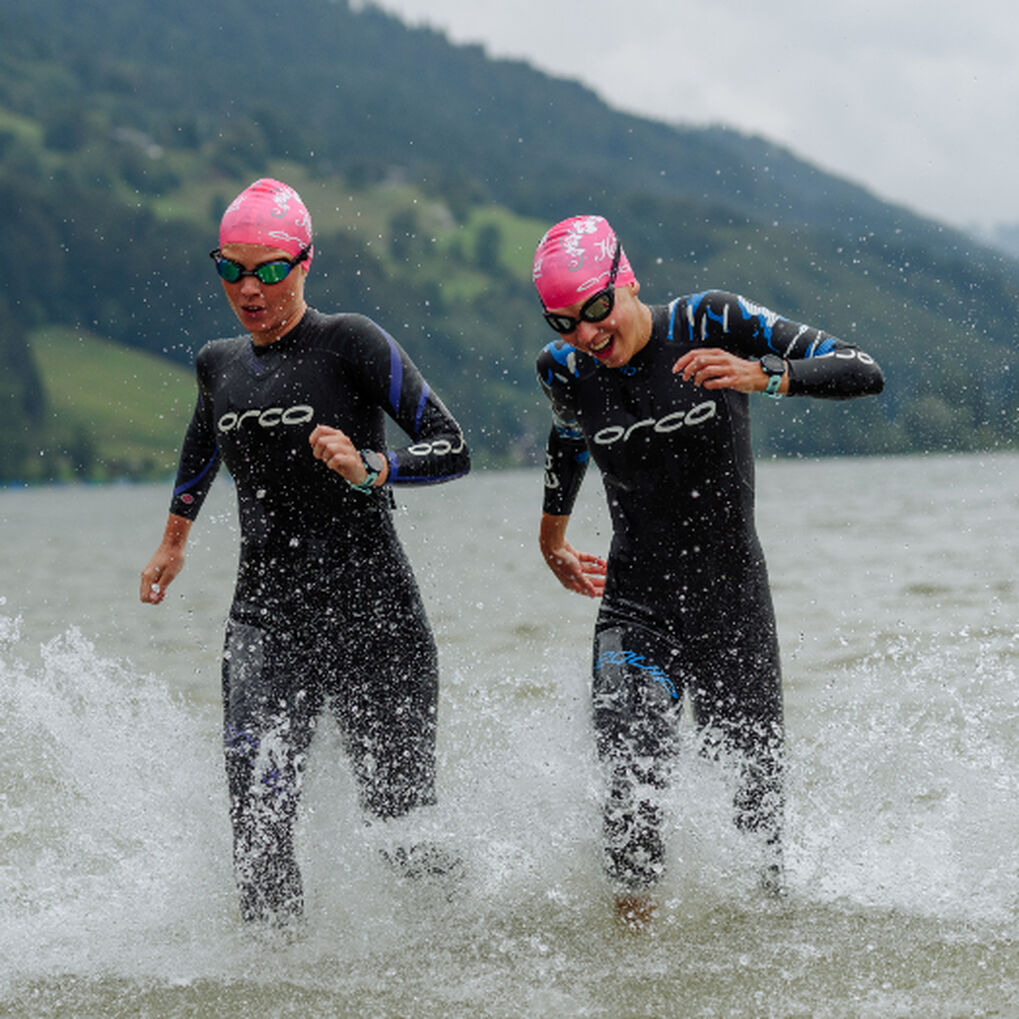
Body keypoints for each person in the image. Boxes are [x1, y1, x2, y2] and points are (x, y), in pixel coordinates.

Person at [531, 214, 884, 927]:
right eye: (563, 320)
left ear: (624, 280)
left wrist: (764, 375)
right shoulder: (563, 367)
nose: (586, 334)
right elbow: (569, 433)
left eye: (596, 310)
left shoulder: (710, 318)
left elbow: (863, 369)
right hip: (637, 602)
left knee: (755, 826)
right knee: (628, 779)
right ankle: (634, 972)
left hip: (731, 601)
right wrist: (552, 536)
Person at [139, 178, 470, 929]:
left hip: (375, 619)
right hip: (266, 618)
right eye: (231, 269)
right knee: (257, 816)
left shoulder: (350, 341)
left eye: (268, 269)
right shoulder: (216, 363)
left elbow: (454, 447)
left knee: (401, 830)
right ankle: (275, 980)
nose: (249, 288)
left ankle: (456, 949)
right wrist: (172, 541)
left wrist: (371, 468)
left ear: (305, 262)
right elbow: (203, 445)